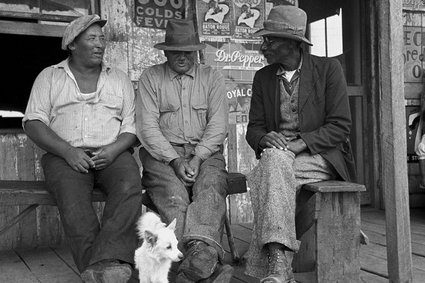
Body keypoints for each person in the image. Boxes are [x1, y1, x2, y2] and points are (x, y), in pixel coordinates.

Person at [22, 14, 142, 283]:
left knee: (129, 186)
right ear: (72, 44)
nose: (100, 44)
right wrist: (67, 151)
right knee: (73, 199)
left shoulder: (119, 79)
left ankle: (101, 267)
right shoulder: (50, 77)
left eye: (102, 38)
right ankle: (107, 269)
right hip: (64, 156)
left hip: (113, 152)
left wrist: (113, 150)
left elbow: (132, 127)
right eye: (92, 38)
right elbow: (33, 122)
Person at [245, 5, 356, 283]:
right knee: (272, 164)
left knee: (264, 174)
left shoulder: (329, 69)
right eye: (265, 39)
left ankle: (276, 263)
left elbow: (340, 127)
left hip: (321, 156)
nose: (264, 45)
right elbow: (253, 129)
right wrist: (263, 138)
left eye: (270, 39)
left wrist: (300, 144)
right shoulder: (263, 77)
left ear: (292, 43)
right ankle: (280, 267)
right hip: (279, 158)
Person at [136, 19, 234, 283]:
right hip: (163, 156)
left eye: (188, 51)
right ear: (165, 51)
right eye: (176, 50)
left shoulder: (211, 77)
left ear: (197, 52)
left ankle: (195, 260)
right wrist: (176, 160)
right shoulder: (151, 78)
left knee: (210, 189)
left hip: (206, 154)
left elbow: (218, 125)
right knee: (174, 196)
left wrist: (199, 157)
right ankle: (203, 263)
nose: (182, 56)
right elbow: (146, 128)